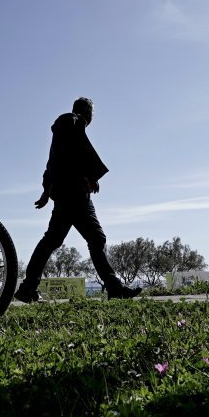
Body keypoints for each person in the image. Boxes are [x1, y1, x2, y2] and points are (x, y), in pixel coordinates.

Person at [15, 97, 141, 302]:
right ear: (88, 112)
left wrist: (47, 191)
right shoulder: (71, 122)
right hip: (73, 193)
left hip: (68, 193)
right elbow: (70, 153)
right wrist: (87, 176)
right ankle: (114, 288)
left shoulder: (64, 129)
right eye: (91, 113)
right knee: (91, 238)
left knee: (55, 240)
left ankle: (27, 288)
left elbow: (53, 163)